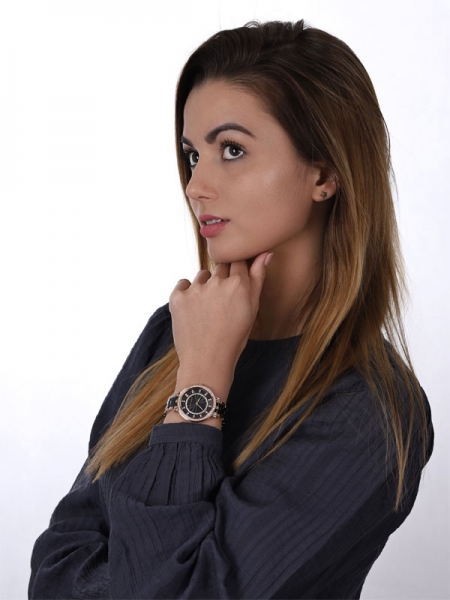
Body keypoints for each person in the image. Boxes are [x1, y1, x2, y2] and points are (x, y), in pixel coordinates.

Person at [29, 19, 434, 599]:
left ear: (324, 173)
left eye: (233, 150)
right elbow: (57, 560)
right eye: (193, 154)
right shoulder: (175, 330)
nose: (196, 185)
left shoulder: (370, 412)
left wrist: (201, 383)